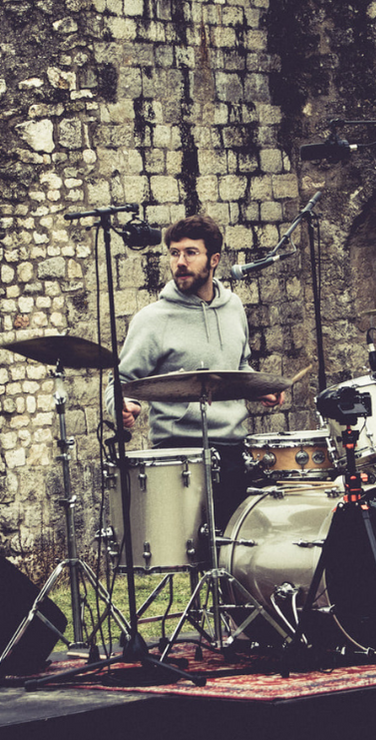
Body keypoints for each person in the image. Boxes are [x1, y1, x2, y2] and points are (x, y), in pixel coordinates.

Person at [111, 213, 283, 529]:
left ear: (214, 259)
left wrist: (259, 386)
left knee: (236, 551)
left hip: (232, 450)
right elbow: (120, 382)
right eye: (174, 253)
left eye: (191, 253)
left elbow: (239, 365)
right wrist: (123, 405)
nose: (180, 262)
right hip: (179, 454)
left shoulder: (234, 309)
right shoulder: (152, 319)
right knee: (197, 554)